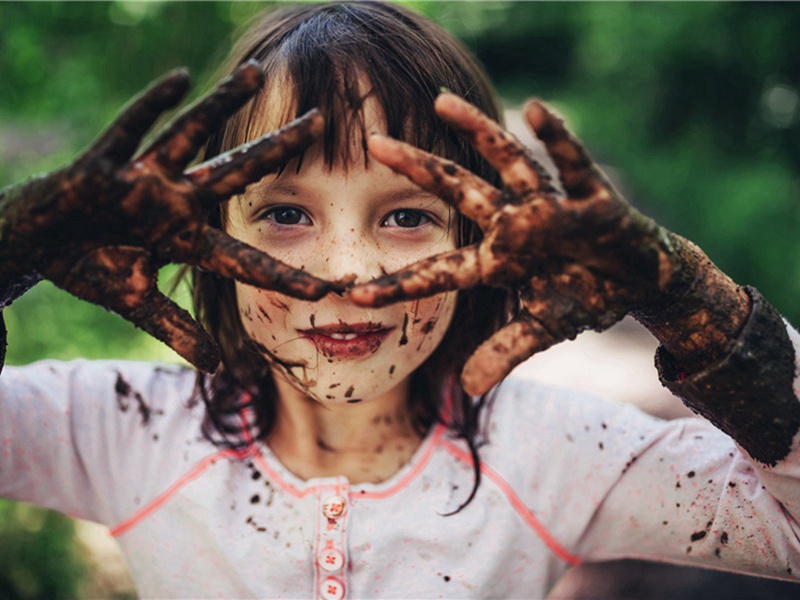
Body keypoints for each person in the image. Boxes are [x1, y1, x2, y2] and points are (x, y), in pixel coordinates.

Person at [1, 2, 798, 598]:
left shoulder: (554, 456)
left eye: (408, 215)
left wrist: (695, 301)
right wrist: (10, 248)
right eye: (285, 213)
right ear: (204, 232)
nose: (349, 272)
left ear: (484, 232)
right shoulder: (119, 430)